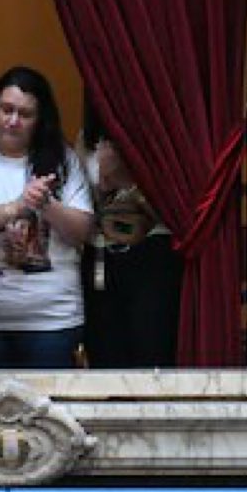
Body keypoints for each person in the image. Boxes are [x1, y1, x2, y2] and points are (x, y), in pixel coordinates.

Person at [0, 66, 94, 368]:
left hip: (52, 321)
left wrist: (47, 205)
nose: (12, 121)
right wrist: (19, 205)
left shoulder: (64, 161)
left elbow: (83, 231)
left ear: (40, 120)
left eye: (25, 114)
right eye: (6, 109)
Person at [79, 104, 183, 367]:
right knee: (104, 350)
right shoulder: (86, 140)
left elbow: (176, 212)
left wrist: (127, 181)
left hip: (151, 253)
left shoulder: (159, 135)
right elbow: (81, 209)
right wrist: (103, 184)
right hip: (101, 254)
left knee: (152, 349)